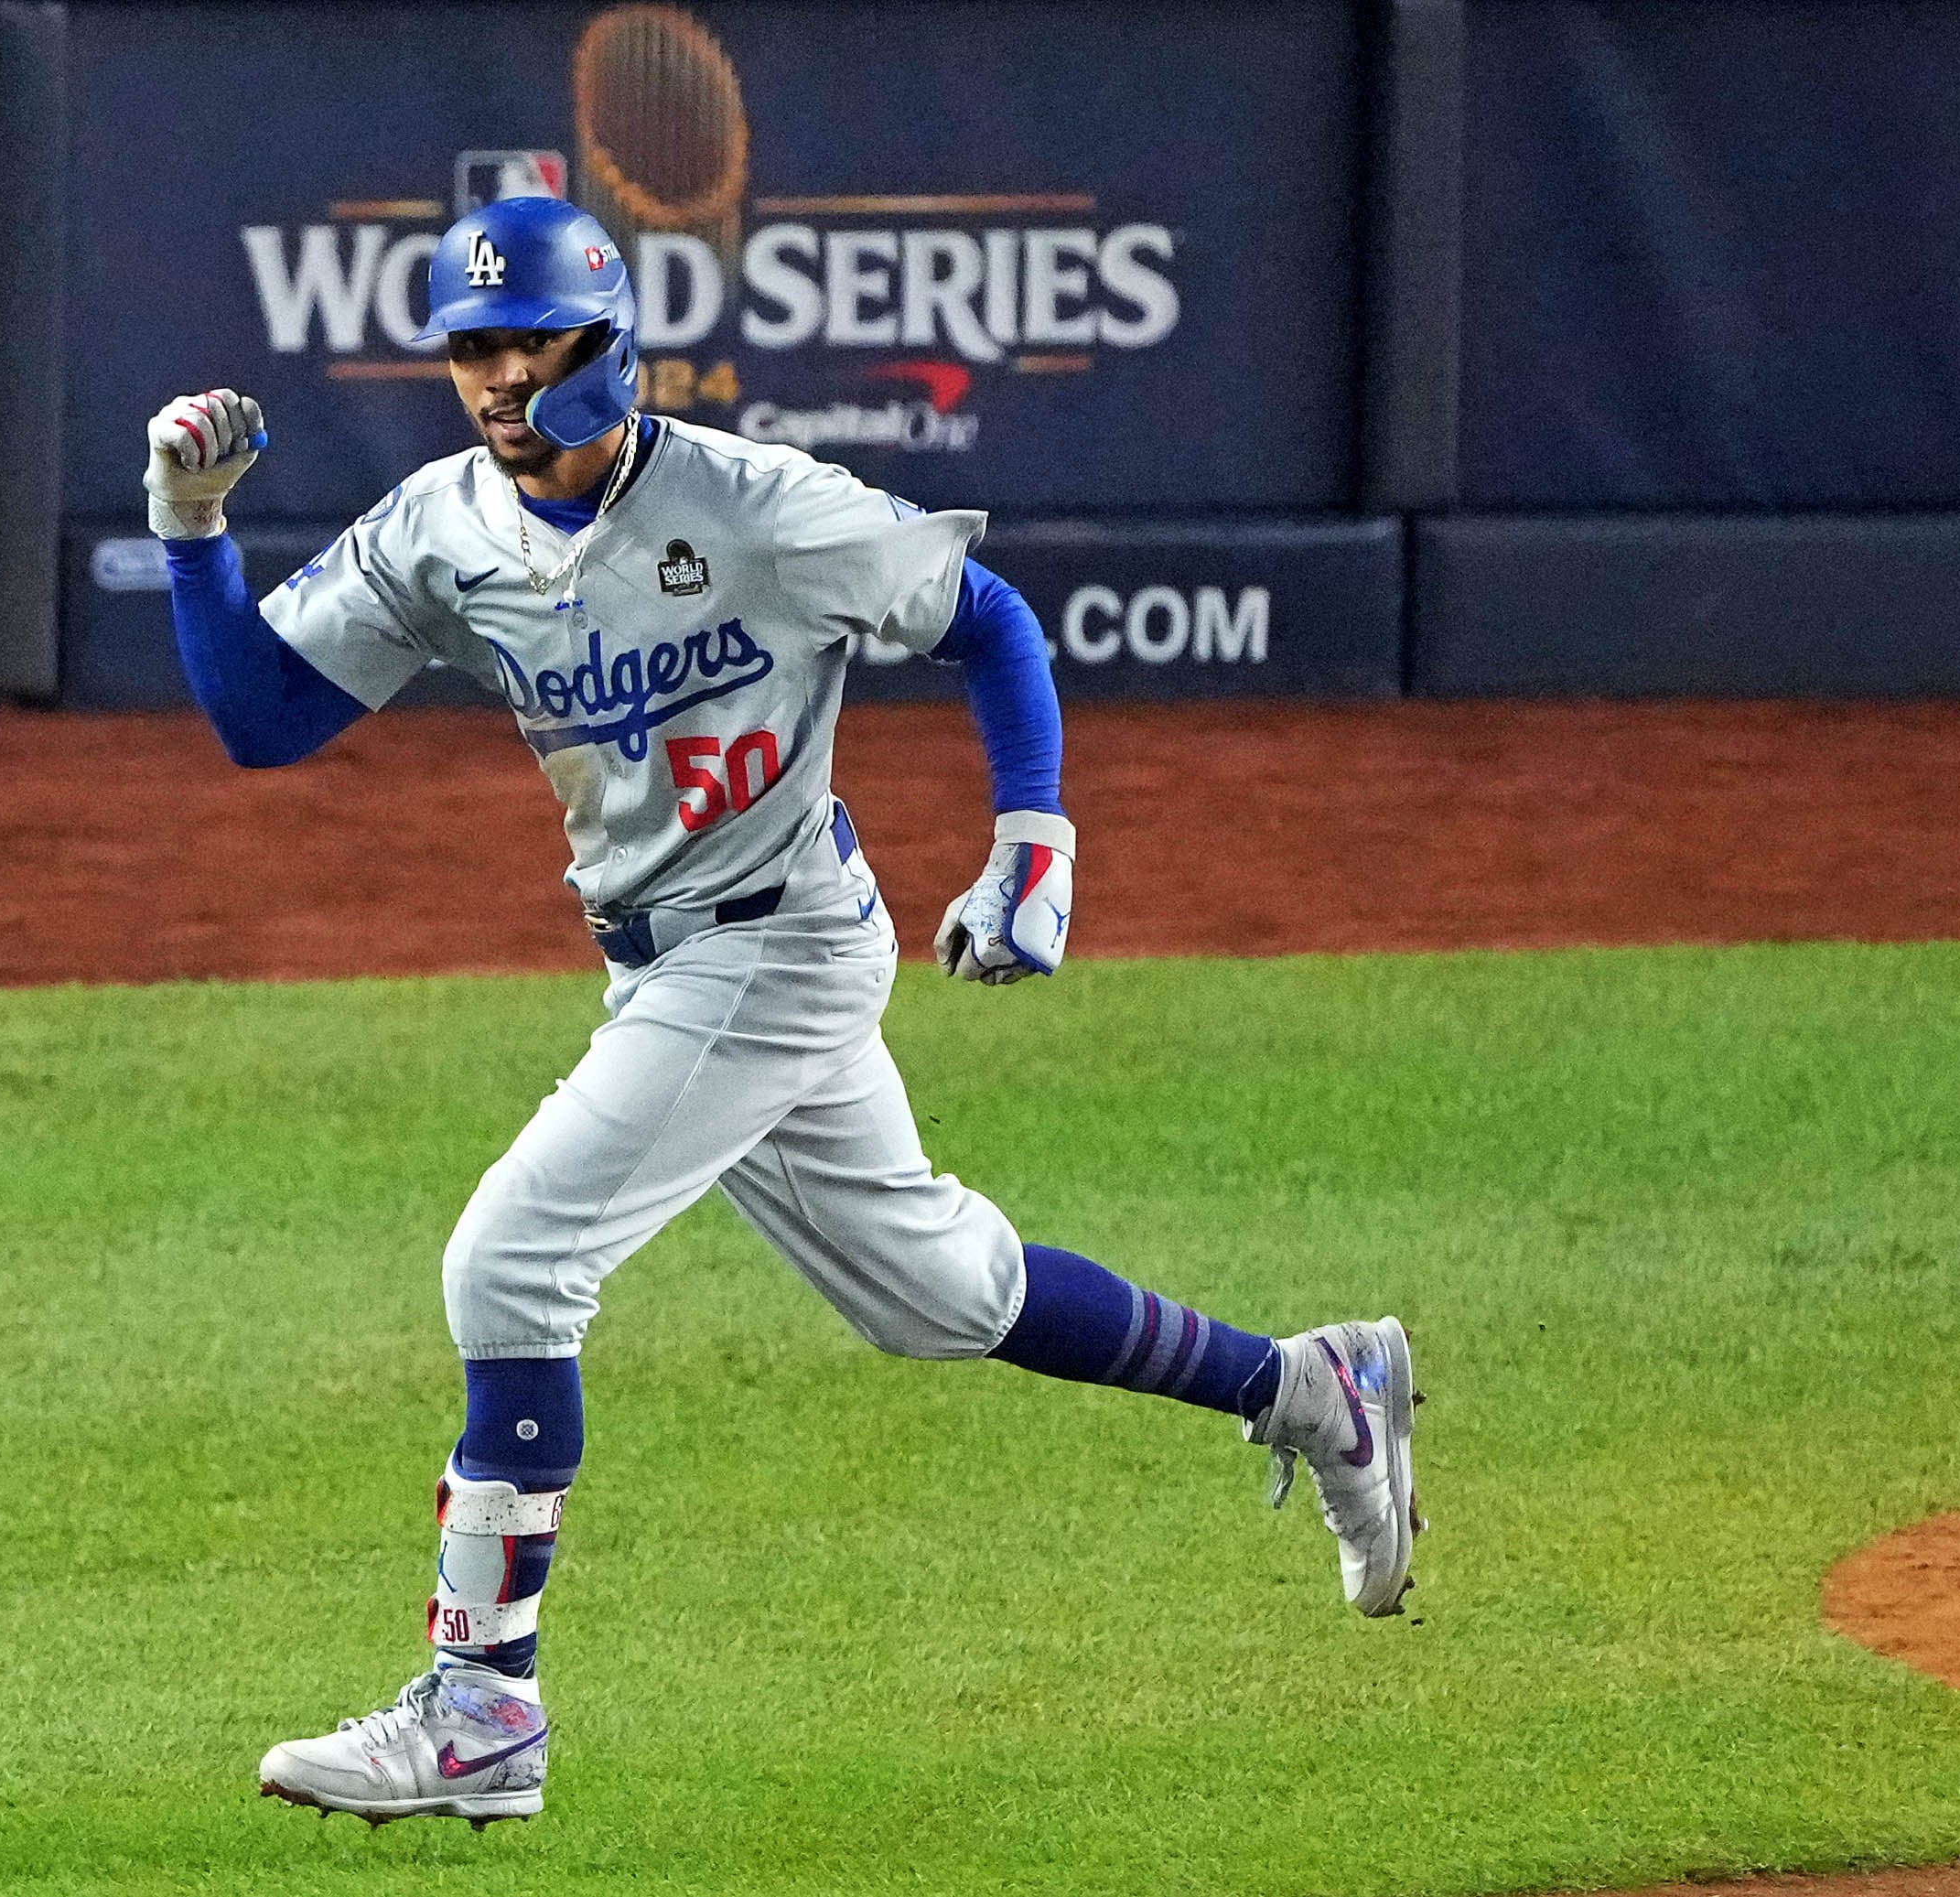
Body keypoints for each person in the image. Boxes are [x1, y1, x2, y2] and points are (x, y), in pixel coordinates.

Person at [145, 195, 1420, 1831]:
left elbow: (988, 620)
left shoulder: (756, 504)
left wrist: (1033, 843)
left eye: (524, 340)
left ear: (605, 346)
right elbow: (258, 719)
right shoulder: (439, 529)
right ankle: (1313, 1385)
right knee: (939, 1291)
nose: (491, 376)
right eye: (469, 346)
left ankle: (482, 1707)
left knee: (511, 1258)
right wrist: (192, 527)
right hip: (662, 954)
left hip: (778, 944)